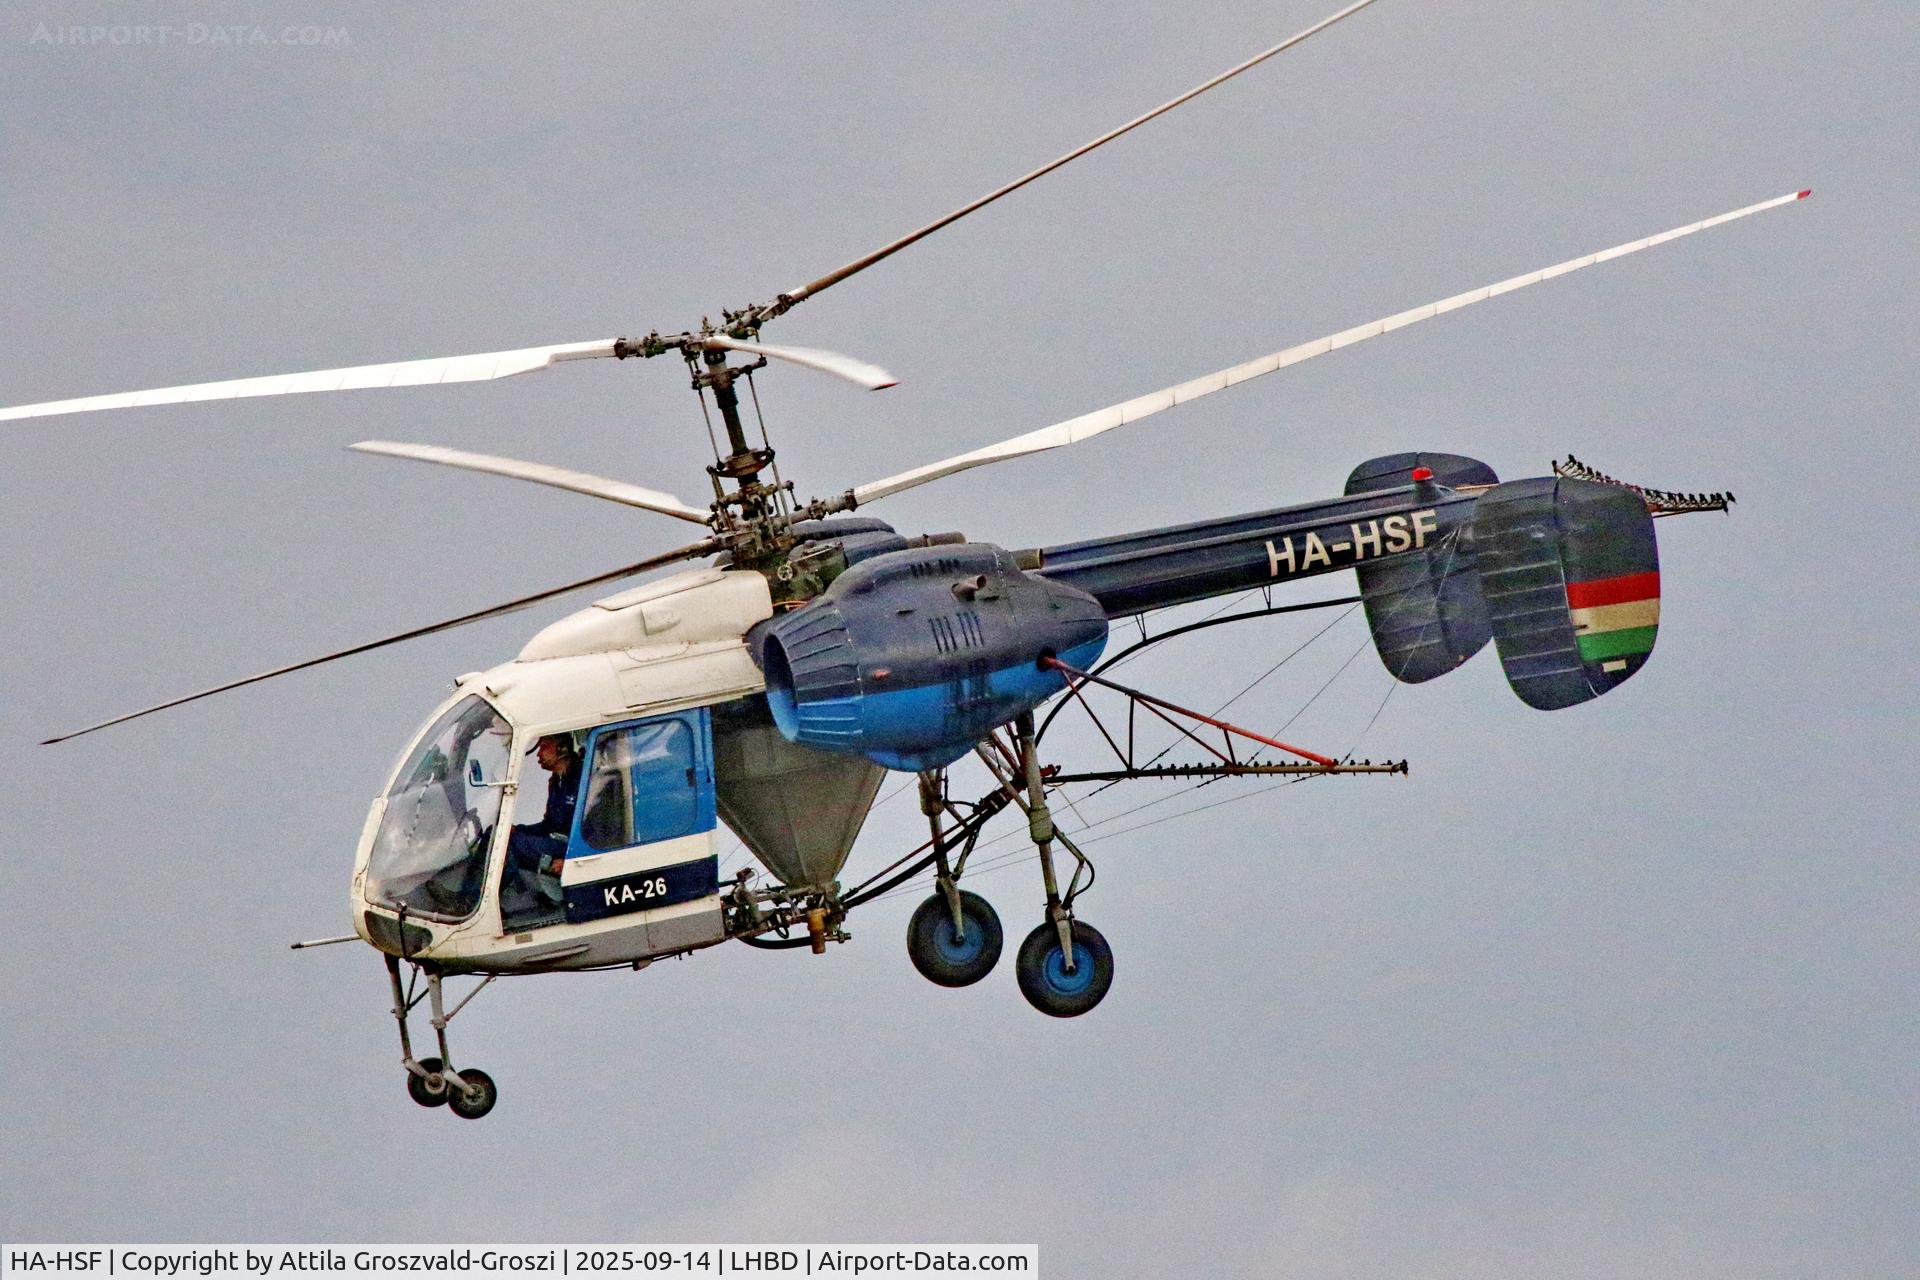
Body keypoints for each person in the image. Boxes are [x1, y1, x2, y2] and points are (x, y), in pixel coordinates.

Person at [506, 733, 582, 899]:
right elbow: (548, 825)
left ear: (562, 749)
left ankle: (475, 896)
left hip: (573, 847)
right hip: (559, 841)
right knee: (501, 836)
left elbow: (597, 828)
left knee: (513, 844)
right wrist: (517, 829)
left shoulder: (582, 779)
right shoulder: (556, 781)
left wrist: (569, 859)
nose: (539, 754)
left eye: (544, 748)